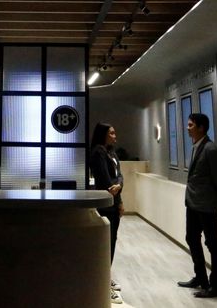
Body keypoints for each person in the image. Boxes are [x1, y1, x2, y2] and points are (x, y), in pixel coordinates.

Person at [177, 113, 217, 298]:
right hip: (193, 204)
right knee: (191, 238)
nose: (187, 127)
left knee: (213, 244)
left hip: (207, 206)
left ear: (201, 127)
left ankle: (216, 285)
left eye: (190, 125)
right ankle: (201, 278)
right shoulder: (197, 147)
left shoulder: (211, 149)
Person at [90, 122, 125, 304]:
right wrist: (117, 186)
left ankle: (106, 278)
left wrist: (119, 191)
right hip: (106, 205)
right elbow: (106, 181)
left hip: (114, 203)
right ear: (103, 134)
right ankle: (103, 283)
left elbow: (120, 177)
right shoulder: (98, 152)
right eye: (111, 133)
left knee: (112, 241)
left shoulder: (111, 152)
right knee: (107, 243)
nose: (115, 135)